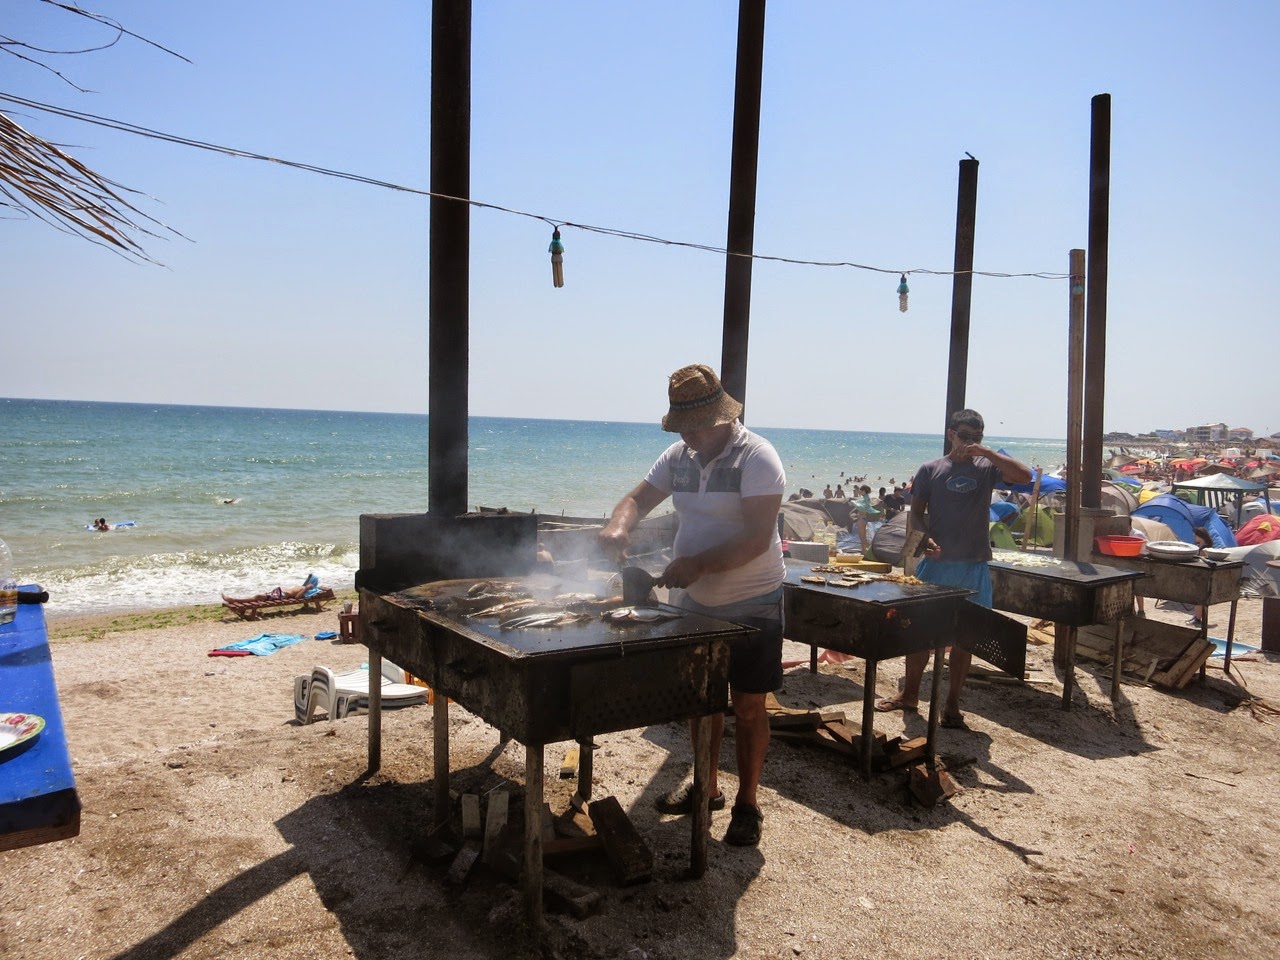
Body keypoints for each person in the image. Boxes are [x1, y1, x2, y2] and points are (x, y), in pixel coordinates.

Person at [598, 363, 785, 848]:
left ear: (722, 417)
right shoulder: (677, 456)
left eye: (697, 425)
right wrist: (620, 525)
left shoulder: (758, 458)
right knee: (702, 705)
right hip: (695, 603)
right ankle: (708, 789)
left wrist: (697, 563)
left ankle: (748, 803)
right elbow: (637, 498)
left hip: (754, 601)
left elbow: (755, 540)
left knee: (747, 706)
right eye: (683, 426)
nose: (690, 435)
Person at [875, 410, 1032, 728]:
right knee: (919, 634)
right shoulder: (931, 469)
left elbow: (1025, 476)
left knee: (966, 639)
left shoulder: (988, 467)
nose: (970, 443)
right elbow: (916, 513)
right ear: (951, 434)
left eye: (977, 437)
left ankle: (952, 706)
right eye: (965, 436)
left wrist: (987, 452)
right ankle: (909, 695)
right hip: (936, 565)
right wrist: (922, 540)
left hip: (973, 564)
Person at [222, 573, 323, 603]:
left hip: (281, 595)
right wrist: (307, 584)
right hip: (280, 593)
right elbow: (308, 580)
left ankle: (234, 600)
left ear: (312, 583)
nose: (308, 580)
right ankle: (235, 600)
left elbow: (297, 598)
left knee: (258, 596)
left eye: (310, 580)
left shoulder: (305, 589)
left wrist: (306, 589)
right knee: (259, 597)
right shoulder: (304, 586)